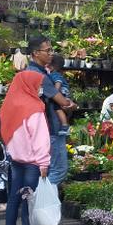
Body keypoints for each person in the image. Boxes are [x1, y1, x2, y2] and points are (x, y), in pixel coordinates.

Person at [0, 71, 50, 225]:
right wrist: (44, 163)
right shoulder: (34, 107)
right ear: (30, 85)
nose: (41, 88)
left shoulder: (8, 105)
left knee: (14, 195)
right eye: (39, 85)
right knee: (29, 197)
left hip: (14, 159)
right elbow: (40, 138)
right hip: (32, 162)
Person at [25, 36, 76, 185]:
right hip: (51, 128)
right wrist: (71, 104)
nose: (51, 53)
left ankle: (37, 203)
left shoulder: (29, 72)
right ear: (36, 53)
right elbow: (61, 100)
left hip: (39, 128)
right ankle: (43, 203)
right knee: (58, 170)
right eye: (47, 50)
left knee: (42, 169)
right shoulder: (39, 76)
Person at [48, 54, 71, 135]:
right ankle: (64, 124)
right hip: (64, 92)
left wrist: (55, 92)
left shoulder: (54, 74)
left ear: (52, 66)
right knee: (61, 108)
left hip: (62, 92)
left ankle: (65, 126)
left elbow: (58, 82)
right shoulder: (58, 73)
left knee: (57, 108)